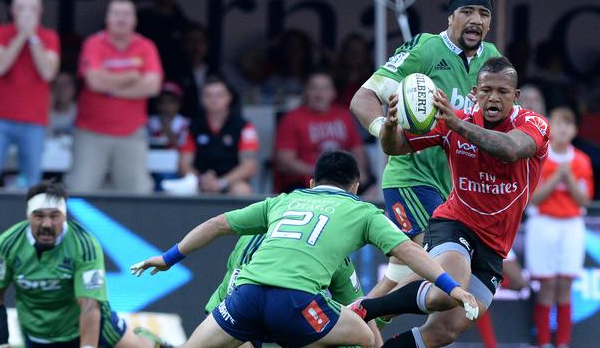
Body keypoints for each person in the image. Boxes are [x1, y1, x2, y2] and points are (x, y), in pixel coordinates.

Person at [131, 150, 479, 348]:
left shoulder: (282, 201)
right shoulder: (362, 211)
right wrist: (453, 287)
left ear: (311, 184)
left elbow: (217, 224)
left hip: (246, 297)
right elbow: (410, 251)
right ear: (356, 187)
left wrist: (167, 258)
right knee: (367, 341)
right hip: (295, 303)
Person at [349, 57, 550, 347]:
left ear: (515, 96)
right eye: (486, 90)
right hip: (455, 223)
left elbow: (510, 149)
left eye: (503, 92)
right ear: (475, 91)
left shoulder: (532, 123)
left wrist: (456, 124)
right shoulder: (452, 121)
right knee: (445, 293)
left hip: (495, 245)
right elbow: (396, 147)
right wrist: (391, 126)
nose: (493, 97)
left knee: (445, 331)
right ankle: (367, 308)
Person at [349, 0, 500, 301]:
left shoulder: (492, 61)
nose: (476, 19)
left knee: (403, 275)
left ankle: (359, 327)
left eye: (483, 13)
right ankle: (358, 324)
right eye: (467, 11)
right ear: (450, 17)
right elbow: (362, 98)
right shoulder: (425, 49)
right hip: (412, 179)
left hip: (452, 189)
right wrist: (386, 131)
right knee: (436, 264)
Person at [0, 180, 169, 348]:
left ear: (65, 216)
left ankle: (149, 340)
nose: (46, 224)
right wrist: (1, 342)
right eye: (39, 216)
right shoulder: (7, 245)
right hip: (38, 331)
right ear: (29, 216)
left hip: (88, 323)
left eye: (54, 216)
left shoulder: (84, 245)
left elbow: (89, 305)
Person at [205, 234, 383, 347]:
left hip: (288, 314)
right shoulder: (252, 238)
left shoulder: (331, 246)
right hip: (255, 310)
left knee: (362, 335)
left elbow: (358, 306)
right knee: (363, 335)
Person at [66, 0, 162, 194]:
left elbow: (153, 86)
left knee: (138, 193)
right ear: (107, 19)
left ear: (134, 20)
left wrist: (111, 89)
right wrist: (131, 77)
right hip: (91, 133)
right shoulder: (93, 43)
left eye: (127, 14)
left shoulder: (146, 46)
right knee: (80, 191)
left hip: (131, 133)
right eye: (116, 14)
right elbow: (94, 82)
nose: (121, 19)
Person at [525, 107, 593, 348]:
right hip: (543, 224)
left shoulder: (582, 160)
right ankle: (544, 343)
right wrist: (557, 177)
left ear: (575, 130)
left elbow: (584, 200)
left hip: (571, 226)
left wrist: (568, 177)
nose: (563, 128)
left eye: (568, 124)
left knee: (565, 286)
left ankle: (562, 343)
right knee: (547, 286)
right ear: (549, 127)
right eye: (558, 123)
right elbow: (533, 198)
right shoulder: (539, 157)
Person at [0, 0, 60, 188]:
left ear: (40, 11)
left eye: (32, 8)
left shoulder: (49, 37)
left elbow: (48, 72)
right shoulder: (0, 33)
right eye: (21, 7)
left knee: (32, 182)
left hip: (34, 121)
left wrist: (33, 38)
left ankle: (28, 220)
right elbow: (0, 66)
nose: (27, 13)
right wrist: (21, 35)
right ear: (13, 10)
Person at [274, 71, 369, 193]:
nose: (319, 94)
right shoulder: (292, 118)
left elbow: (357, 149)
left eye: (325, 88)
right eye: (314, 88)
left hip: (343, 181)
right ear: (306, 92)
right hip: (306, 184)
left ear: (333, 93)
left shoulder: (344, 115)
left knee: (375, 191)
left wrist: (359, 171)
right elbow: (285, 162)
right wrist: (321, 173)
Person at [178, 76, 259, 195]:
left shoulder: (244, 126)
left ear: (229, 97)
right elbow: (183, 164)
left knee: (242, 190)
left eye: (219, 95)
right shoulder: (192, 127)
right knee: (182, 190)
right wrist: (201, 180)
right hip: (199, 182)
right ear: (201, 98)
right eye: (208, 95)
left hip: (231, 181)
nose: (214, 100)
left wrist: (221, 182)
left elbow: (249, 165)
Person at [48, 71, 78, 136]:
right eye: (57, 84)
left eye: (66, 84)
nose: (61, 89)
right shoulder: (44, 112)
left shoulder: (81, 112)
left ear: (73, 88)